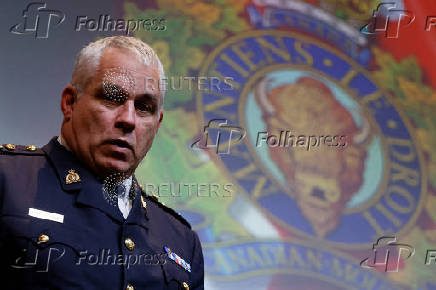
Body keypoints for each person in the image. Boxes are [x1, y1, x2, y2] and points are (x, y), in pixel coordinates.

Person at [0, 36, 204, 290]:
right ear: (70, 103)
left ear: (158, 125)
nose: (128, 119)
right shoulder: (8, 179)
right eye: (112, 98)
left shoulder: (181, 239)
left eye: (144, 107)